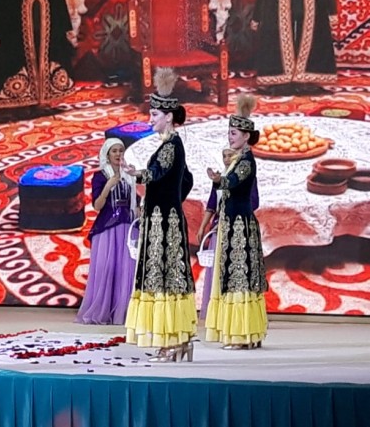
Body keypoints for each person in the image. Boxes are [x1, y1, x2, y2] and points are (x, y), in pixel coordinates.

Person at [123, 68, 197, 362]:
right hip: (168, 219)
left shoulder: (170, 146)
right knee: (171, 278)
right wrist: (171, 200)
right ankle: (180, 340)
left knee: (163, 279)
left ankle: (171, 343)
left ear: (168, 116)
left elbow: (156, 172)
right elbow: (187, 179)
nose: (149, 119)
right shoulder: (173, 145)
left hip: (163, 224)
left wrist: (138, 175)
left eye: (154, 114)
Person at [205, 95, 268, 349]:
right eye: (229, 133)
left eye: (233, 133)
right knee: (236, 276)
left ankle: (243, 336)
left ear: (245, 136)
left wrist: (219, 180)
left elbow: (233, 182)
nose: (230, 137)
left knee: (240, 277)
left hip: (240, 226)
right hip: (233, 224)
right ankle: (247, 333)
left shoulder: (246, 162)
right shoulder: (237, 159)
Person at [76, 138, 138, 325]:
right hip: (107, 228)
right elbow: (97, 206)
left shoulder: (130, 175)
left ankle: (123, 313)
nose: (118, 154)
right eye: (114, 151)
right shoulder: (100, 176)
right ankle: (102, 311)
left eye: (121, 150)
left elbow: (136, 203)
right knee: (107, 268)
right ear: (107, 154)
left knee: (126, 270)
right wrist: (108, 186)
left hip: (128, 226)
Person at [196, 148, 260, 321]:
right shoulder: (220, 178)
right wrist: (203, 227)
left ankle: (237, 314)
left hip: (237, 226)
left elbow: (253, 201)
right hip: (219, 227)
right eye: (224, 156)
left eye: (230, 155)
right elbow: (211, 205)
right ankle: (216, 313)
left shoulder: (245, 175)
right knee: (217, 269)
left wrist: (236, 213)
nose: (227, 159)